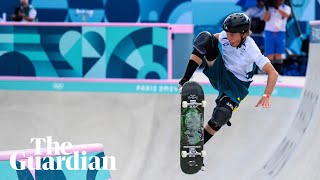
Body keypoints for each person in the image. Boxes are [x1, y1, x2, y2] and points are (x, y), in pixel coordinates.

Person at [178, 12, 279, 169]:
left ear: (244, 34)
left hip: (236, 87)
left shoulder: (252, 48)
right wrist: (185, 79)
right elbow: (205, 45)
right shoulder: (224, 36)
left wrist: (266, 95)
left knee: (222, 114)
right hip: (220, 72)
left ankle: (196, 147)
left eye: (233, 35)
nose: (229, 38)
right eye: (228, 34)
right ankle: (184, 81)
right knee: (205, 39)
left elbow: (273, 73)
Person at [263, 0, 291, 74]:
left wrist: (277, 8)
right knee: (270, 54)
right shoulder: (270, 8)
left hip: (280, 32)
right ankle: (269, 73)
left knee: (279, 54)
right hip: (269, 31)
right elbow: (266, 19)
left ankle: (278, 73)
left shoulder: (286, 7)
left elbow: (286, 15)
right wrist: (267, 9)